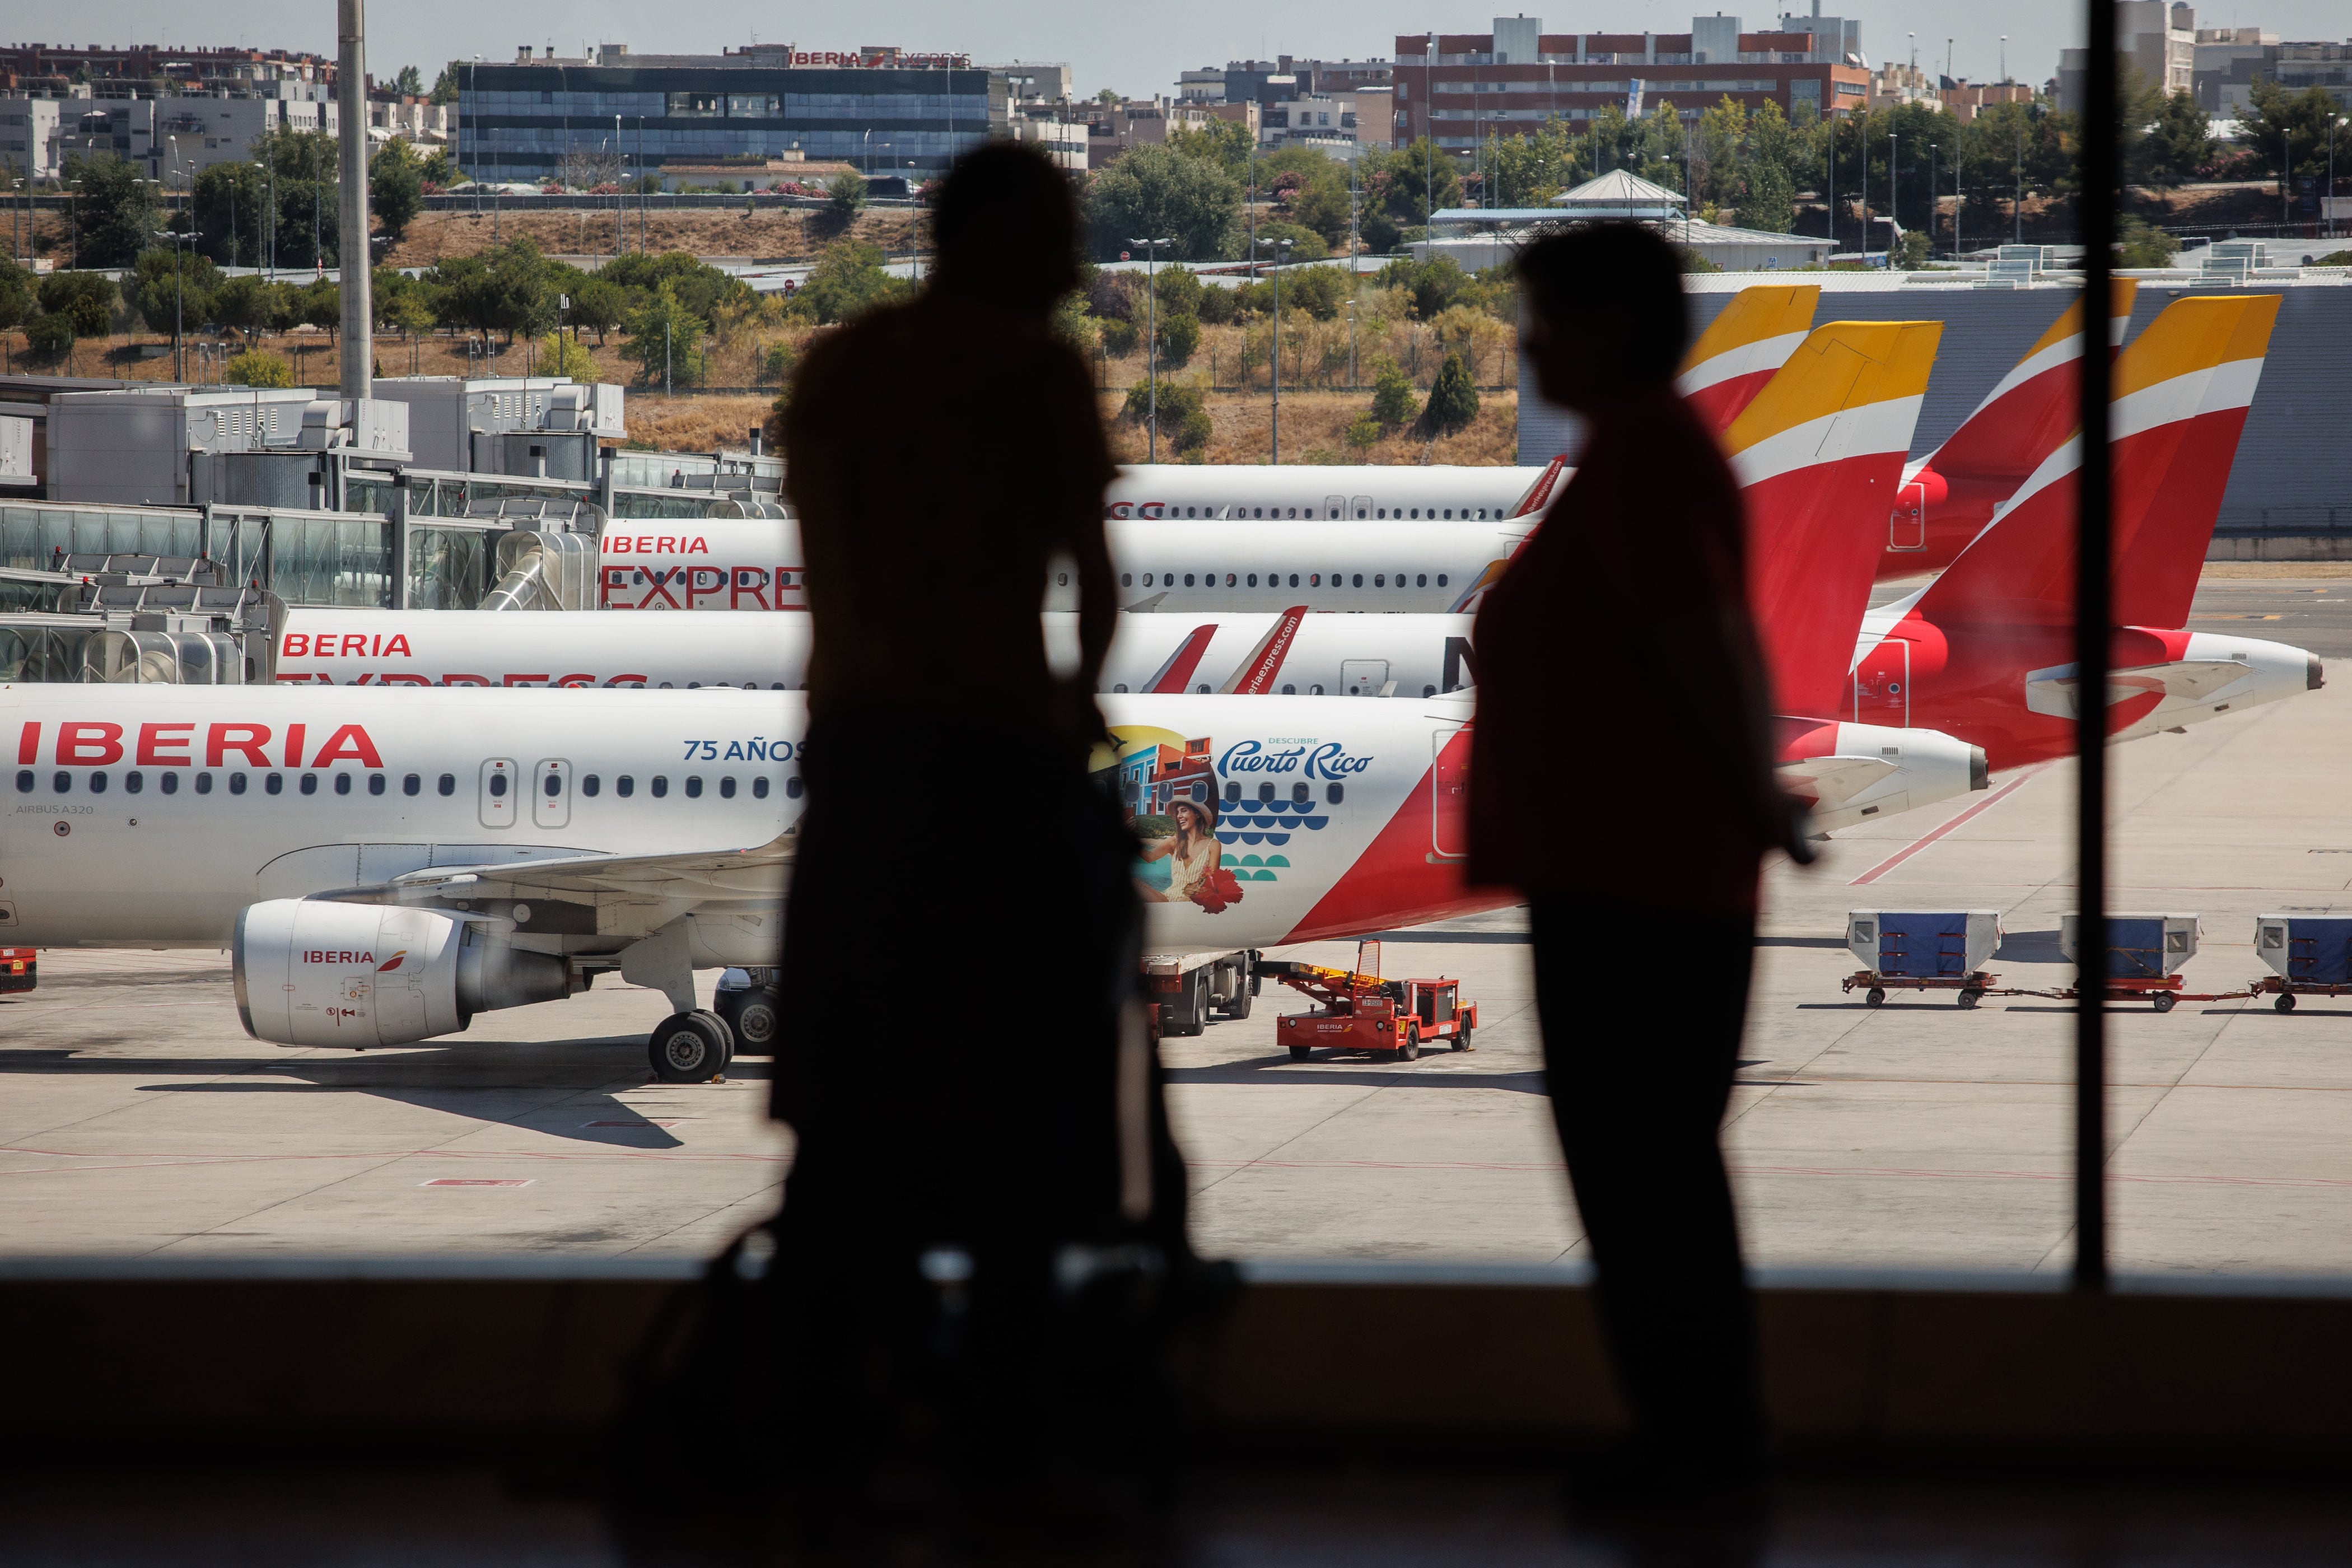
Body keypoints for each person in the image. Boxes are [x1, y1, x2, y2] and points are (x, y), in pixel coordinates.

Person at [767, 143, 1194, 1543]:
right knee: (1024, 1116)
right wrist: (1069, 722)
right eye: (1064, 230)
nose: (1079, 260)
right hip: (999, 766)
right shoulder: (1033, 373)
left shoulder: (840, 372)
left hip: (862, 760)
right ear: (1007, 242)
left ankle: (822, 1425)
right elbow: (1096, 579)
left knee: (849, 1120)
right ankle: (1009, 1441)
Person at [1468, 223, 1804, 1500]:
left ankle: (1699, 1449)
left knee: (1643, 1176)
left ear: (1609, 325)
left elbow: (1706, 641)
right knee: (1652, 1173)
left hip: (1638, 886)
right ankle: (1694, 1441)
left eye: (1544, 316)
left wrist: (1752, 797)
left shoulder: (1650, 458)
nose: (1525, 340)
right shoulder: (1631, 456)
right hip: (1625, 873)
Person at [1136, 796, 1220, 903]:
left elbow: (1212, 881)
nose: (1179, 816)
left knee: (1184, 902)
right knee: (1135, 883)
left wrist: (1190, 898)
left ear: (1198, 814)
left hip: (1194, 902)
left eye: (1184, 811)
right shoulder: (1174, 842)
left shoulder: (1213, 845)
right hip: (1168, 899)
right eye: (1178, 813)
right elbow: (1149, 857)